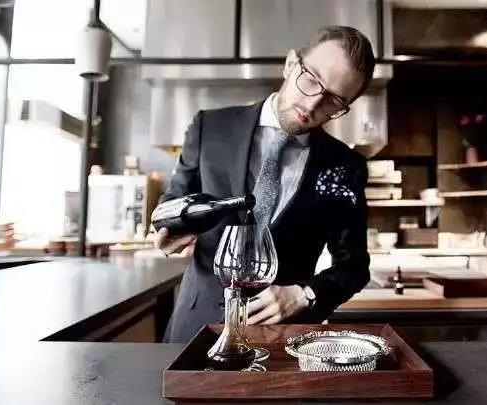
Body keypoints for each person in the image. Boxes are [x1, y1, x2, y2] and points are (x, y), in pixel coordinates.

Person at [156, 25, 374, 343]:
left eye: (334, 101)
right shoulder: (209, 128)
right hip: (196, 328)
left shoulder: (346, 166)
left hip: (283, 339)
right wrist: (167, 229)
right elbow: (171, 204)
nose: (312, 105)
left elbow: (354, 267)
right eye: (312, 80)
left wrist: (305, 294)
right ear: (290, 64)